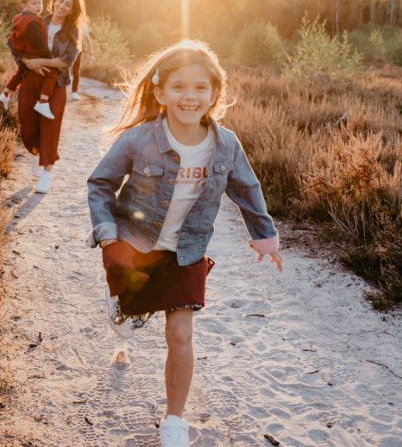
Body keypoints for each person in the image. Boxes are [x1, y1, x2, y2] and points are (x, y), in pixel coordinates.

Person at [86, 39, 283, 447]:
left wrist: (265, 236)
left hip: (187, 251)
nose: (189, 96)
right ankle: (124, 303)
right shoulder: (139, 140)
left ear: (214, 94)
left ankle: (174, 418)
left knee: (179, 334)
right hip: (134, 244)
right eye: (178, 87)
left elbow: (247, 189)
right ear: (160, 93)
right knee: (129, 301)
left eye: (199, 87)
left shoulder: (226, 145)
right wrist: (105, 231)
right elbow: (101, 183)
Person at [18, 0, 85, 194]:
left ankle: (47, 173)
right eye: (60, 1)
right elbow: (17, 46)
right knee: (28, 126)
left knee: (50, 126)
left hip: (57, 83)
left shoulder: (72, 31)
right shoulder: (36, 22)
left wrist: (40, 62)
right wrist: (29, 63)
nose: (62, 6)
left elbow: (66, 61)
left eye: (68, 5)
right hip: (31, 80)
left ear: (72, 11)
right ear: (54, 1)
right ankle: (36, 152)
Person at [0, 0, 59, 120]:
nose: (38, 6)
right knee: (52, 74)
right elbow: (39, 43)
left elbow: (12, 37)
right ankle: (43, 102)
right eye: (34, 3)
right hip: (34, 54)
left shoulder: (19, 18)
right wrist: (49, 57)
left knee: (19, 74)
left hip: (25, 53)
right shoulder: (32, 22)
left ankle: (5, 94)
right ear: (24, 5)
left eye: (40, 2)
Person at [69, 19, 92, 101]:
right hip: (63, 49)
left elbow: (88, 39)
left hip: (77, 51)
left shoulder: (83, 24)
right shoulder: (66, 20)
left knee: (76, 71)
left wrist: (90, 53)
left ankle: (74, 92)